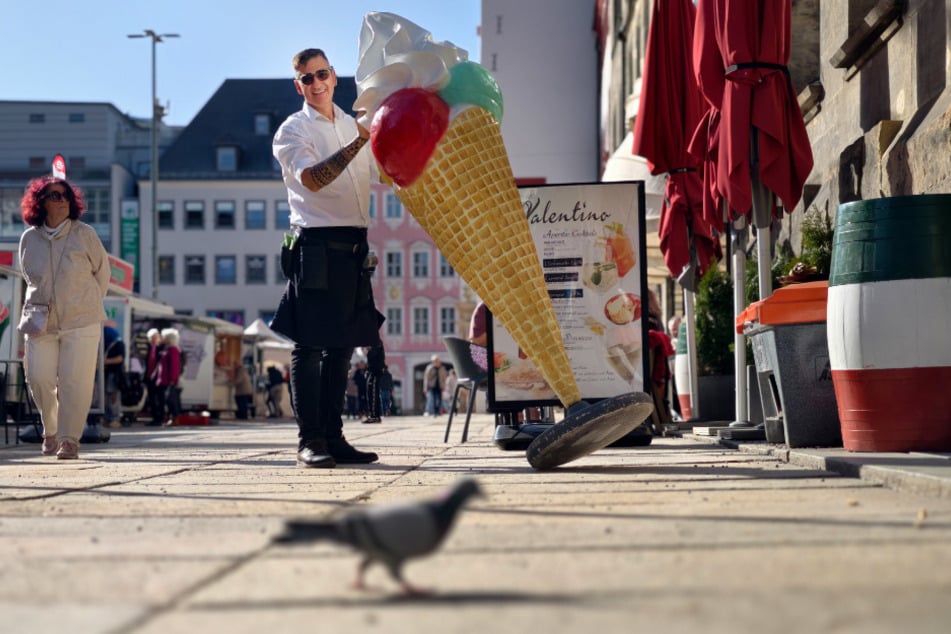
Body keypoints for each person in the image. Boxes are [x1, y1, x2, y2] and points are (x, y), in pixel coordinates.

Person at [270, 47, 384, 469]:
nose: (316, 84)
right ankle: (310, 439)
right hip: (315, 244)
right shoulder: (293, 129)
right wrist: (361, 142)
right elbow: (314, 180)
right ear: (297, 85)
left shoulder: (354, 125)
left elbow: (384, 169)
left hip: (354, 245)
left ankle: (334, 438)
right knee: (312, 346)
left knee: (342, 348)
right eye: (307, 78)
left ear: (335, 76)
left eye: (322, 75)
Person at [19, 176, 111, 459]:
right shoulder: (28, 238)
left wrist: (87, 302)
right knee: (38, 377)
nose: (62, 200)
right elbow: (28, 276)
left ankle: (69, 439)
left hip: (82, 319)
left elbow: (102, 273)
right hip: (39, 319)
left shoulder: (85, 234)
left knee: (76, 381)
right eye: (54, 195)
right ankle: (51, 430)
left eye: (65, 195)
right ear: (41, 201)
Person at [154, 328, 182, 427]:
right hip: (162, 380)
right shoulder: (165, 348)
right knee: (164, 401)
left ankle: (174, 418)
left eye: (164, 337)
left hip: (168, 380)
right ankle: (169, 418)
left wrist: (173, 380)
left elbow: (174, 366)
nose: (162, 338)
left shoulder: (173, 350)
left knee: (171, 401)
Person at [103, 325, 125, 429]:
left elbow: (120, 358)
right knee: (106, 397)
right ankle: (108, 418)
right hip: (107, 373)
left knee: (113, 397)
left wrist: (106, 361)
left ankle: (115, 419)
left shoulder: (118, 344)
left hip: (114, 374)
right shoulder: (107, 344)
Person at [361, 345, 385, 424]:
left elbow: (372, 355)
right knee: (372, 395)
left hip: (375, 372)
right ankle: (375, 416)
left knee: (373, 395)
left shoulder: (376, 342)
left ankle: (373, 416)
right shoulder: (374, 342)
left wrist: (366, 351)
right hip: (372, 371)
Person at [143, 328, 162, 419]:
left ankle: (158, 418)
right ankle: (154, 417)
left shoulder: (161, 348)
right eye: (151, 338)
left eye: (154, 337)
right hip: (148, 377)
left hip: (157, 377)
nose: (152, 339)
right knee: (151, 398)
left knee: (157, 398)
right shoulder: (148, 347)